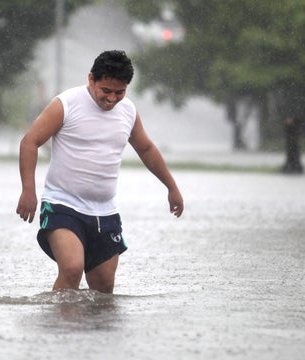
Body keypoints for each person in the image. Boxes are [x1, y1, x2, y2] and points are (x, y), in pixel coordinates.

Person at [16, 50, 184, 294]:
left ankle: (92, 332)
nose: (112, 99)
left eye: (119, 92)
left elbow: (146, 149)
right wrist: (28, 191)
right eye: (106, 90)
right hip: (63, 205)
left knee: (104, 287)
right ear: (91, 79)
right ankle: (55, 329)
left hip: (105, 212)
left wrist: (172, 187)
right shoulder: (66, 104)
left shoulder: (127, 111)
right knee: (72, 269)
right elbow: (29, 142)